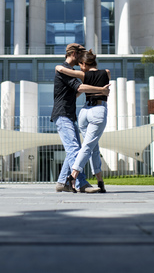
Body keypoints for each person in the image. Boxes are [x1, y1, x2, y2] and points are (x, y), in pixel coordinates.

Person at [52, 43, 109, 194]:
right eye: (81, 54)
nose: (82, 58)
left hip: (69, 114)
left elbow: (75, 92)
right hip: (63, 114)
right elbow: (80, 88)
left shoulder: (70, 70)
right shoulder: (66, 70)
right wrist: (101, 90)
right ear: (75, 54)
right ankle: (81, 182)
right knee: (75, 149)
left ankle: (61, 182)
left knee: (73, 149)